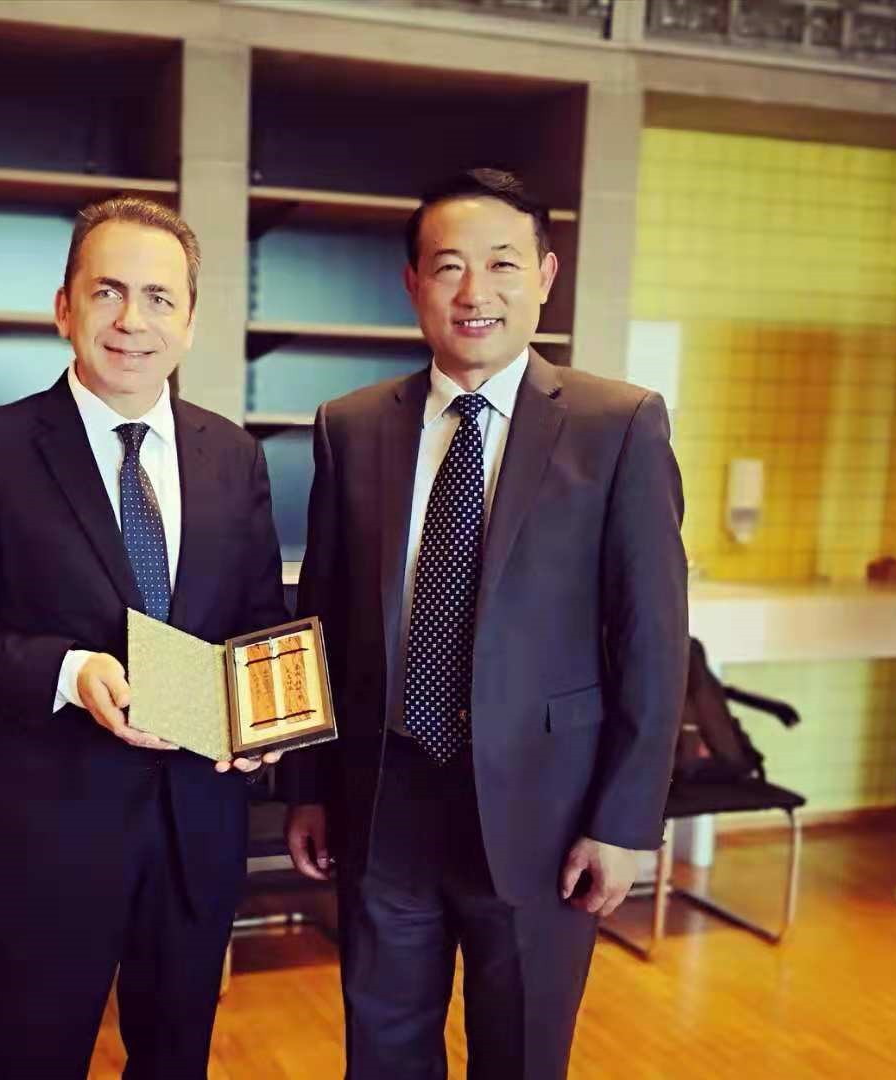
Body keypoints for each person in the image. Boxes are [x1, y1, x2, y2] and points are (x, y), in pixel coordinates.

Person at [283, 169, 689, 1078]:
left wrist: (624, 821)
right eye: (448, 266)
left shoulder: (616, 424)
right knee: (381, 1054)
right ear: (412, 284)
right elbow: (320, 620)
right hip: (384, 800)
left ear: (543, 276)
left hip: (546, 814)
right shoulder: (350, 426)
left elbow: (652, 641)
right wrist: (307, 786)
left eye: (502, 264)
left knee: (521, 1055)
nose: (475, 292)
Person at [0, 196, 290, 1079]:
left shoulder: (233, 455)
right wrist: (69, 672)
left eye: (159, 298)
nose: (131, 321)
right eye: (107, 291)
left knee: (175, 1060)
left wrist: (264, 722)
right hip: (50, 835)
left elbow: (260, 620)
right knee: (36, 1059)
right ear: (63, 307)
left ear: (189, 321)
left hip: (197, 827)